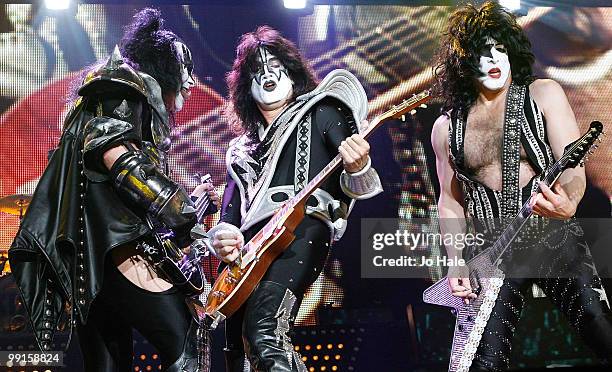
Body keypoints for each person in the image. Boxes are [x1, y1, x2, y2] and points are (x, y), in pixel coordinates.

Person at [9, 8, 219, 371]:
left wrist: (191, 206)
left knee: (107, 364)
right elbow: (116, 156)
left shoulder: (113, 97)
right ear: (167, 65)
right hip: (118, 254)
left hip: (90, 267)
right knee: (189, 347)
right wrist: (178, 206)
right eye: (186, 70)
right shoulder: (120, 84)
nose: (190, 82)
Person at [430, 2, 612, 370]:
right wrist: (454, 263)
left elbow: (572, 164)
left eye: (500, 48)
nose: (493, 59)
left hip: (552, 235)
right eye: (482, 53)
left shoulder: (543, 93)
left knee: (601, 329)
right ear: (465, 63)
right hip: (491, 252)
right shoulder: (446, 128)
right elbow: (449, 203)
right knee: (481, 363)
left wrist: (571, 201)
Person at [204, 26, 383, 371]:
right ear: (245, 87)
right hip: (248, 254)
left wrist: (359, 166)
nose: (267, 75)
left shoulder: (323, 111)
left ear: (292, 71)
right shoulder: (238, 149)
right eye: (256, 70)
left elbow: (357, 190)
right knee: (235, 349)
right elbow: (229, 212)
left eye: (275, 66)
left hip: (303, 229)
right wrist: (222, 237)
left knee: (265, 328)